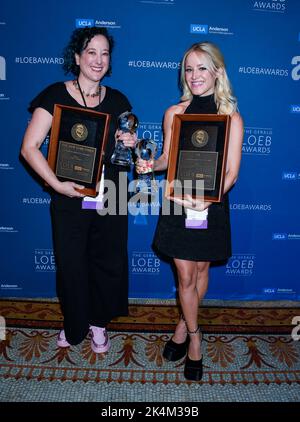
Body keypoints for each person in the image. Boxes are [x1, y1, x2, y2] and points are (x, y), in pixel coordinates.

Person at [21, 27, 136, 353]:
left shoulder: (119, 100)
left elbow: (126, 148)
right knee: (71, 263)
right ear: (77, 57)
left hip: (110, 195)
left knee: (108, 260)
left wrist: (129, 142)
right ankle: (74, 323)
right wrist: (56, 184)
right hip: (70, 196)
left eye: (104, 53)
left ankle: (98, 322)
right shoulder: (54, 95)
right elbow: (29, 147)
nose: (98, 60)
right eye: (91, 52)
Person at [136, 42, 243, 381]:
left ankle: (183, 326)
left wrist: (208, 199)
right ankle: (196, 339)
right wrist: (151, 164)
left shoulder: (232, 118)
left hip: (210, 205)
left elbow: (231, 173)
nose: (194, 75)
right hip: (178, 202)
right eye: (189, 68)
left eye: (201, 68)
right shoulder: (174, 113)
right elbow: (168, 158)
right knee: (184, 275)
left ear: (217, 72)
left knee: (199, 272)